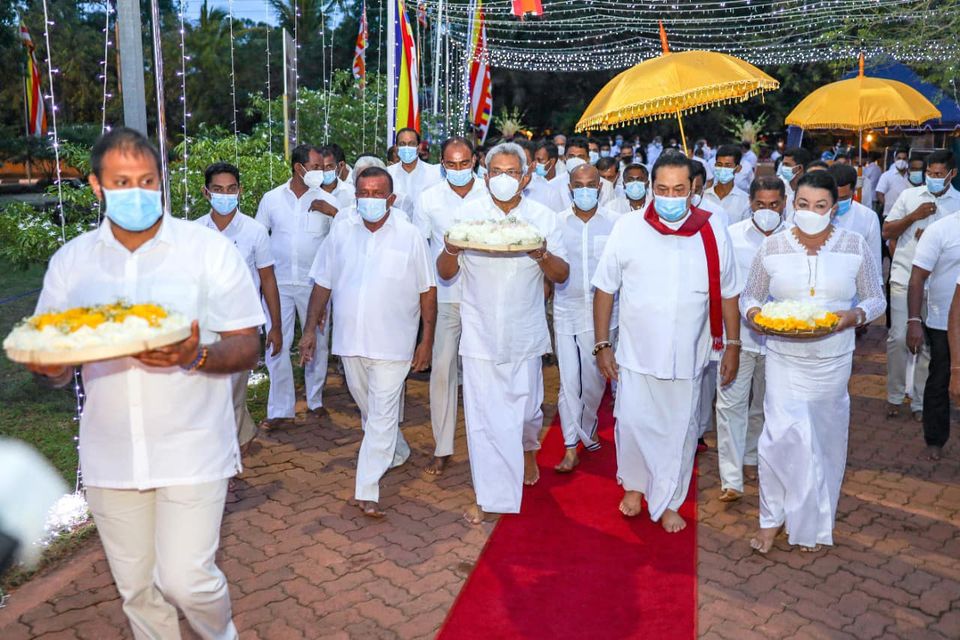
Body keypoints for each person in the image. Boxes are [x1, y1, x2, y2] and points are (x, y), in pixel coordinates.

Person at [26, 128, 265, 638]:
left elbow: (248, 343)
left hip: (192, 446)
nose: (137, 192)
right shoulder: (72, 263)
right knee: (137, 590)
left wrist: (195, 354)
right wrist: (48, 366)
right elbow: (54, 361)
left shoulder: (206, 251)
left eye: (147, 180)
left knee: (187, 580)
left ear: (162, 181)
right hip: (111, 454)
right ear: (96, 186)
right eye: (121, 182)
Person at [593, 153, 742, 532]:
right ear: (651, 188)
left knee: (679, 431)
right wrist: (602, 344)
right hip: (636, 352)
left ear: (693, 189)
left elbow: (729, 291)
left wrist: (733, 345)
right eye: (662, 189)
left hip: (687, 353)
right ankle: (635, 487)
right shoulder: (628, 227)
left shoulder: (711, 228)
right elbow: (605, 288)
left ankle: (670, 500)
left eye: (679, 189)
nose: (670, 197)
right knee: (632, 423)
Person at [742, 171, 885, 553]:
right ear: (793, 204)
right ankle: (771, 519)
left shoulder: (854, 245)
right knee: (779, 439)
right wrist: (754, 315)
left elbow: (876, 298)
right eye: (803, 204)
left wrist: (853, 316)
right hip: (784, 357)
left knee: (823, 441)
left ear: (834, 209)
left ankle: (814, 523)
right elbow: (750, 295)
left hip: (832, 360)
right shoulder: (773, 246)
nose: (810, 211)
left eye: (820, 206)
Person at [436, 142, 570, 524]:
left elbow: (562, 274)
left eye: (512, 172)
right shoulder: (468, 216)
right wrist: (450, 249)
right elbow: (445, 272)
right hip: (479, 332)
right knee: (484, 419)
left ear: (525, 178)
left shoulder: (543, 218)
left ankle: (528, 448)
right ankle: (489, 496)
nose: (504, 179)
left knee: (526, 412)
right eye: (497, 172)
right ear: (486, 176)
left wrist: (541, 254)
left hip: (525, 332)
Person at [300, 167, 436, 517]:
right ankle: (398, 450)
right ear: (355, 196)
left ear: (391, 199)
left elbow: (427, 290)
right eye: (364, 193)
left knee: (381, 414)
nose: (370, 199)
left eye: (378, 193)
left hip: (394, 344)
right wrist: (310, 329)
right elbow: (323, 282)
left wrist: (427, 341)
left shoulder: (410, 236)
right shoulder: (341, 231)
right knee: (372, 412)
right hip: (350, 342)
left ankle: (367, 488)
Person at [413, 137, 488, 475]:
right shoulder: (429, 198)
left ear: (474, 161)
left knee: (482, 373)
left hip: (484, 297)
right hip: (445, 297)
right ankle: (442, 447)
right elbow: (419, 249)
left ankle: (485, 443)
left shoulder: (490, 194)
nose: (458, 169)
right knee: (442, 371)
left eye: (464, 163)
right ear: (442, 164)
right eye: (451, 164)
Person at [196, 162, 283, 455]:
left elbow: (268, 280)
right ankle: (243, 436)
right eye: (218, 189)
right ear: (206, 193)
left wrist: (275, 327)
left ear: (240, 190)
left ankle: (227, 459)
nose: (225, 195)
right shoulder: (194, 232)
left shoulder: (255, 231)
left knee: (231, 395)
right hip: (204, 327)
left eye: (231, 188)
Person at [255, 144, 341, 427]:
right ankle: (280, 410)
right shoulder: (271, 199)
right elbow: (259, 238)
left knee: (317, 341)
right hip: (277, 283)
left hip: (315, 285)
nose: (321, 172)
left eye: (322, 167)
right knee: (276, 343)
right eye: (316, 167)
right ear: (298, 168)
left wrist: (334, 212)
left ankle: (315, 401)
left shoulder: (327, 200)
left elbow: (342, 241)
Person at [715, 177, 787, 503]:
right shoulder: (731, 237)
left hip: (779, 341)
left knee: (764, 405)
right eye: (760, 204)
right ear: (751, 203)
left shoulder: (794, 240)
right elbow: (724, 290)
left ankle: (750, 457)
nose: (767, 211)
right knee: (730, 405)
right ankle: (731, 478)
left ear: (784, 204)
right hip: (739, 338)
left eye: (774, 205)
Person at [882, 152, 960, 420]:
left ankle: (919, 402)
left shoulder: (958, 204)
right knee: (899, 337)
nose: (933, 178)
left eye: (939, 174)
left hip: (939, 286)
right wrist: (913, 217)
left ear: (952, 174)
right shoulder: (909, 196)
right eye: (930, 173)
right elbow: (887, 231)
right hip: (905, 277)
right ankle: (894, 395)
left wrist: (932, 238)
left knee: (929, 345)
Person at [553, 164, 620, 473]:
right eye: (578, 185)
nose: (584, 190)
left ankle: (587, 427)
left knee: (593, 384)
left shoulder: (615, 224)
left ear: (600, 188)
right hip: (566, 311)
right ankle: (570, 447)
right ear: (570, 188)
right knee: (568, 382)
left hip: (605, 318)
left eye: (590, 184)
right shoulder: (556, 223)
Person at [905, 152, 960, 461]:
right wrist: (914, 320)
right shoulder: (942, 230)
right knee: (940, 377)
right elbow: (917, 278)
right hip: (943, 319)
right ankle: (935, 439)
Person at [829, 163, 883, 273]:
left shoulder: (868, 217)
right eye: (835, 197)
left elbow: (874, 262)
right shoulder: (815, 214)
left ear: (854, 191)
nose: (838, 202)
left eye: (843, 198)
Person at [387, 128, 442, 201]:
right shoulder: (388, 174)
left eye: (411, 144)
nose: (407, 147)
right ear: (397, 148)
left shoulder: (435, 174)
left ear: (418, 147)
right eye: (402, 144)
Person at [703, 144, 751, 225]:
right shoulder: (704, 197)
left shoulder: (745, 201)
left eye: (728, 166)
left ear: (738, 169)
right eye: (719, 165)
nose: (723, 169)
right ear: (715, 166)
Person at [876, 148, 913, 218]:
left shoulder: (911, 176)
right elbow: (879, 193)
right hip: (890, 214)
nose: (901, 161)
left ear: (907, 160)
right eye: (899, 158)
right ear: (895, 159)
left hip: (907, 215)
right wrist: (887, 205)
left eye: (904, 159)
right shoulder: (886, 175)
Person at [317, 145, 356, 211]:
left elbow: (353, 216)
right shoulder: (311, 191)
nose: (325, 170)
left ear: (338, 167)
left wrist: (334, 212)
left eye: (329, 166)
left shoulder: (351, 192)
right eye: (321, 167)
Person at [777, 147, 812, 212]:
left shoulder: (812, 188)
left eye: (787, 165)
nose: (783, 168)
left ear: (799, 168)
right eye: (783, 164)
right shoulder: (778, 185)